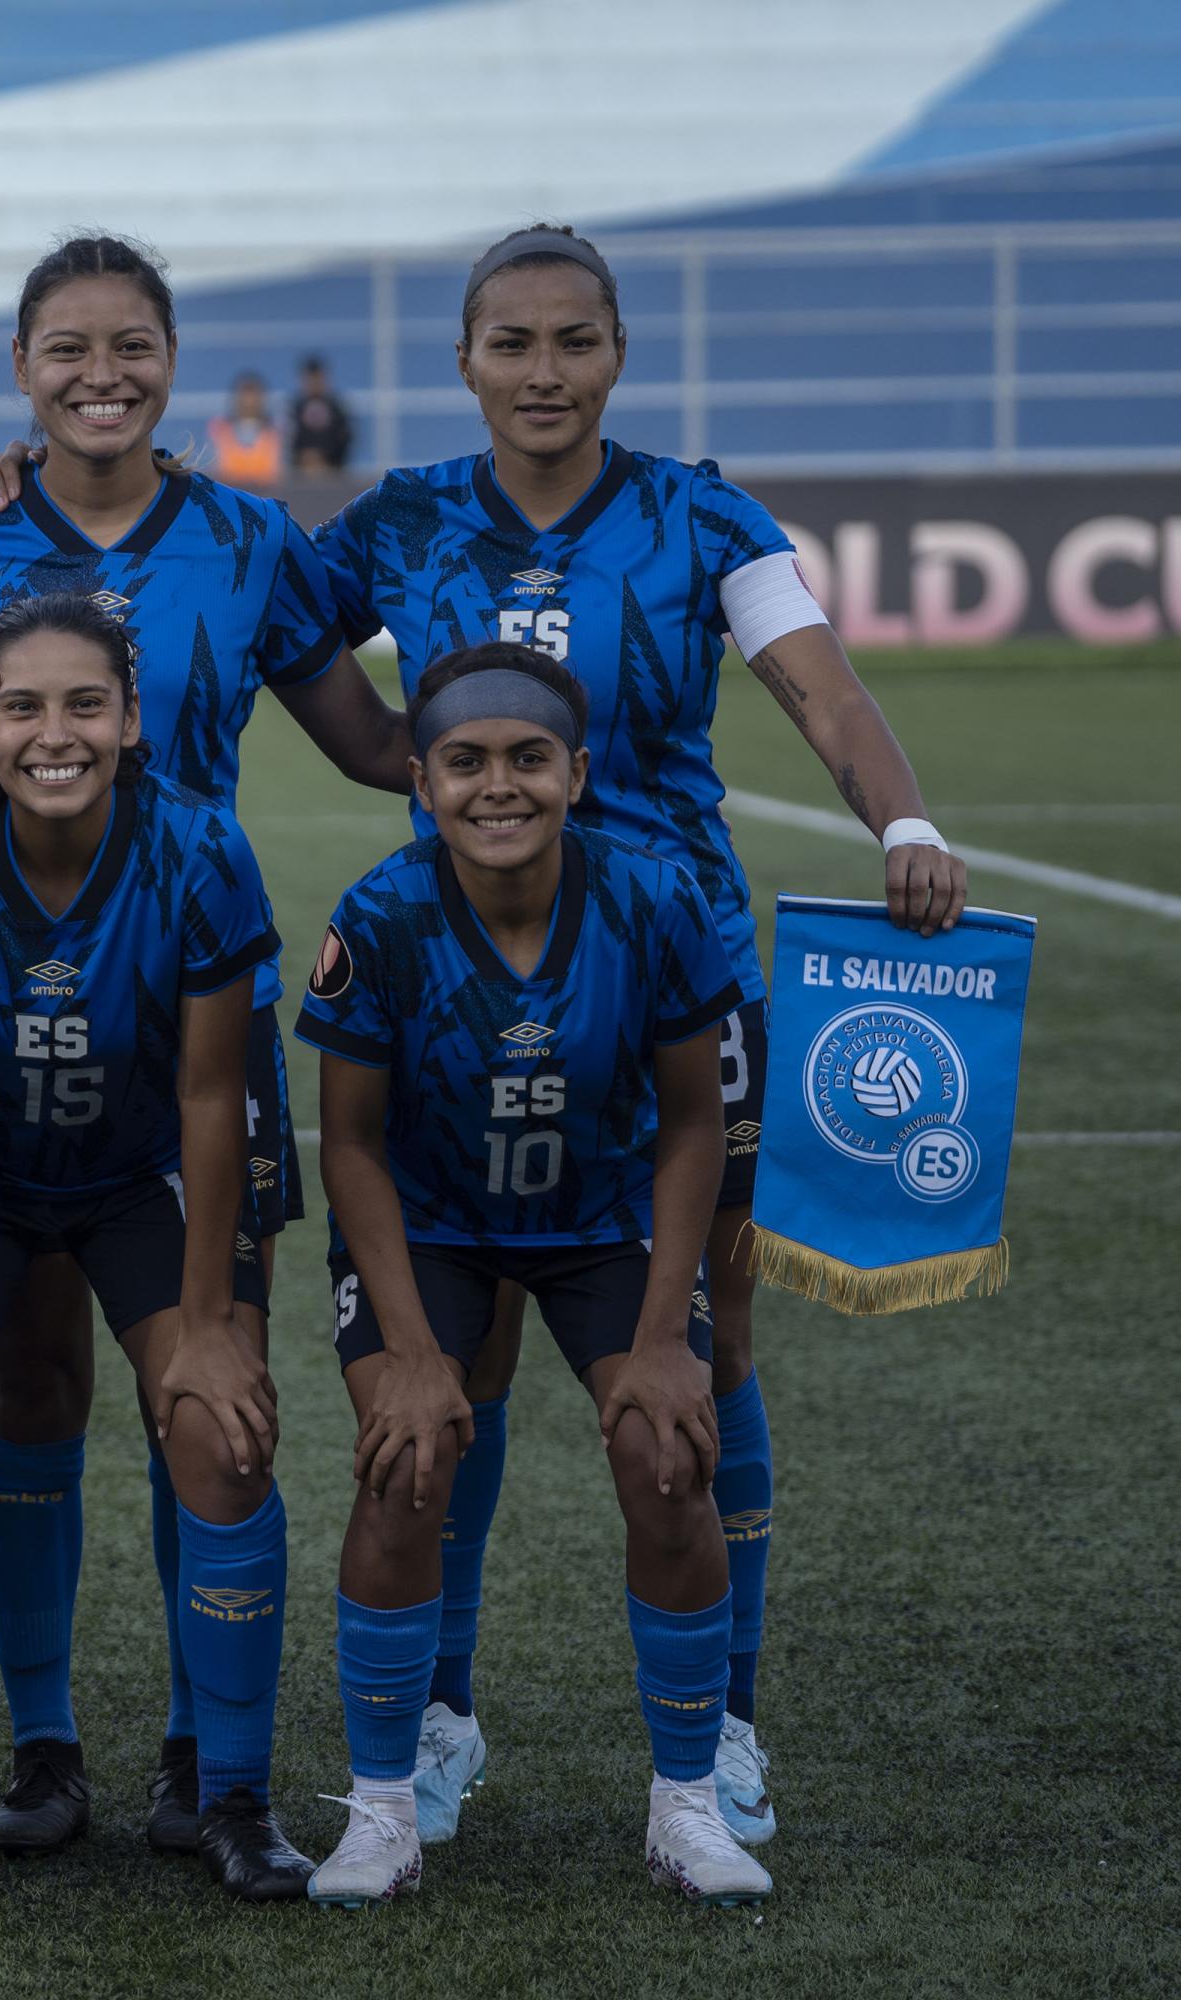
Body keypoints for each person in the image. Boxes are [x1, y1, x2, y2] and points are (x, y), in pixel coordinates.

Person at [312, 222, 972, 1850]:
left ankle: (723, 1725)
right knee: (449, 1351)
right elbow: (260, 627)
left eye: (574, 340)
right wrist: (388, 757)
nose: (543, 371)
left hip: (667, 966)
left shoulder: (700, 513)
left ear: (619, 355)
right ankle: (441, 1715)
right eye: (511, 342)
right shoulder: (398, 518)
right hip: (457, 968)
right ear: (463, 361)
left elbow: (819, 690)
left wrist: (902, 824)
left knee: (707, 1330)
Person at [0, 232, 408, 1860]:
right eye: (64, 347)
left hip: (188, 1015)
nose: (99, 374)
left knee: (212, 1389)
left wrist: (559, 745)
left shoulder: (252, 539)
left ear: (172, 362)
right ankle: (45, 1751)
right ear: (21, 366)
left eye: (130, 346)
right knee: (28, 1385)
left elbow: (381, 742)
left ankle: (208, 1757)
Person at [0, 592, 299, 1906]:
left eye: (85, 704)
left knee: (216, 1429)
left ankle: (232, 1792)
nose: (57, 732)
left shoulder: (201, 849)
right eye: (24, 707)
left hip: (136, 1174)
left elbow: (216, 1097)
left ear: (133, 719)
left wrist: (209, 1317)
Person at [295, 641, 766, 1910]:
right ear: (419, 776)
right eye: (464, 761)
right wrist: (406, 1349)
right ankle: (383, 1806)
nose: (496, 785)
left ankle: (686, 1805)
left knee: (668, 1450)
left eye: (526, 758)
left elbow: (690, 1125)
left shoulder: (655, 898)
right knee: (406, 1457)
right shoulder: (383, 913)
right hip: (437, 1224)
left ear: (579, 770)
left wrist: (668, 1332)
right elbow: (348, 1141)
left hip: (603, 1219)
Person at [205, 373, 283, 493]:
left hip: (268, 498)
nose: (249, 403)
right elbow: (212, 470)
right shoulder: (219, 430)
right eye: (245, 397)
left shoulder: (276, 431)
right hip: (228, 497)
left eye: (253, 398)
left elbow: (282, 473)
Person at [289, 355, 354, 476]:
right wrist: (303, 459)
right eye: (310, 379)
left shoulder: (338, 408)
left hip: (332, 473)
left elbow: (345, 439)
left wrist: (325, 458)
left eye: (318, 378)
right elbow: (288, 440)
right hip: (300, 475)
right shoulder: (294, 408)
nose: (314, 384)